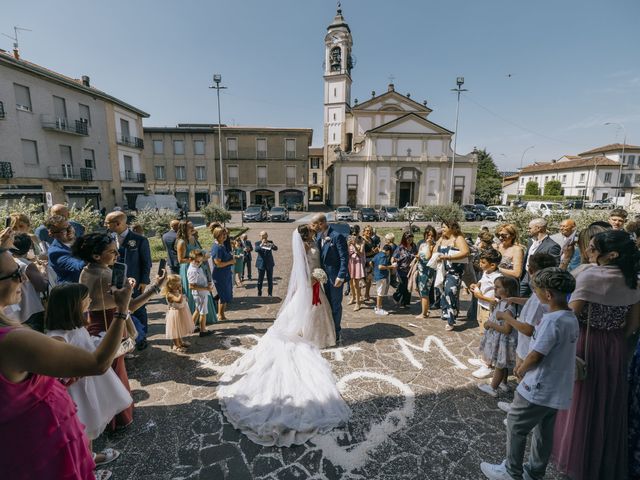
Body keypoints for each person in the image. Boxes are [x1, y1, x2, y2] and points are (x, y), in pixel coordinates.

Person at [0, 247, 132, 480]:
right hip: (43, 453)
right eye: (14, 274)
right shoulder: (13, 341)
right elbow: (98, 363)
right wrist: (121, 310)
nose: (23, 278)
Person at [217, 226, 350, 446]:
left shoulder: (313, 244)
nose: (312, 236)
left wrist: (319, 275)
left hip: (314, 284)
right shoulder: (305, 249)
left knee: (316, 312)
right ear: (305, 237)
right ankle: (308, 335)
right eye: (309, 234)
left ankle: (316, 334)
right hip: (309, 285)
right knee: (307, 315)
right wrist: (315, 279)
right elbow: (304, 272)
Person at [552, 230, 640, 480]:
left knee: (582, 399)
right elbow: (633, 325)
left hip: (587, 342)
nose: (588, 251)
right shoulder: (633, 279)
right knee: (606, 401)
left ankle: (576, 457)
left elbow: (570, 316)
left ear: (611, 254)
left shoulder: (590, 276)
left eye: (592, 248)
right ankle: (600, 459)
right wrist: (613, 340)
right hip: (615, 345)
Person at [480, 268, 579, 480]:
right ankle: (535, 471)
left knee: (516, 424)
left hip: (539, 385)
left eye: (537, 292)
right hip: (557, 387)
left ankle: (511, 471)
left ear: (548, 295)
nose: (535, 296)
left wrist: (521, 368)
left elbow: (537, 354)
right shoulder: (570, 317)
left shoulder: (552, 320)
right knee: (544, 431)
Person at [45, 283, 132, 466]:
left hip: (89, 385)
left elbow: (85, 347)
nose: (90, 300)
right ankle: (85, 467)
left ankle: (90, 459)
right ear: (73, 304)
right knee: (82, 428)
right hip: (75, 392)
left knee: (90, 425)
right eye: (86, 298)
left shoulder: (77, 327)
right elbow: (58, 364)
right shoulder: (58, 336)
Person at [74, 233, 139, 431]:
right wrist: (155, 287)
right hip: (110, 320)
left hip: (94, 321)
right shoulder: (107, 275)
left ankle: (111, 415)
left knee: (109, 373)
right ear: (96, 255)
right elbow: (129, 306)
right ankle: (120, 418)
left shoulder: (87, 270)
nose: (117, 254)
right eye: (112, 251)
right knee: (117, 372)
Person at [105, 211, 152, 351]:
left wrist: (144, 280)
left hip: (135, 282)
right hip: (114, 282)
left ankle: (142, 337)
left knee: (139, 308)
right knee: (119, 310)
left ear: (118, 223)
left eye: (108, 223)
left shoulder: (139, 240)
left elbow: (146, 262)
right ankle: (126, 337)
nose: (105, 225)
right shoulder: (108, 238)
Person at [477, 276, 519, 397]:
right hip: (500, 340)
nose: (494, 289)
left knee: (500, 365)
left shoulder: (508, 307)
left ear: (508, 290)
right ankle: (503, 383)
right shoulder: (502, 303)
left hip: (504, 341)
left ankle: (493, 387)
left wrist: (490, 324)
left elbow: (507, 329)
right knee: (503, 363)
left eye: (498, 287)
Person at [310, 213, 349, 344]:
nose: (313, 227)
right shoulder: (320, 236)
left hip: (335, 277)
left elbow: (344, 258)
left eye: (314, 225)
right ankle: (330, 329)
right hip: (324, 278)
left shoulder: (337, 236)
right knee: (328, 305)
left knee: (336, 305)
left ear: (321, 223)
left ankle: (336, 332)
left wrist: (341, 276)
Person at [176, 221, 216, 326]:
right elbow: (180, 260)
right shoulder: (182, 242)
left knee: (204, 293)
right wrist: (195, 259)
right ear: (184, 229)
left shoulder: (193, 238)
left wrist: (204, 255)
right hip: (189, 268)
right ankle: (192, 323)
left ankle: (203, 320)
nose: (193, 227)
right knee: (195, 293)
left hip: (199, 266)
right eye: (190, 227)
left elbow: (198, 251)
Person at [5, 233, 47, 332]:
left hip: (12, 312)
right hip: (30, 310)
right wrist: (44, 273)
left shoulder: (5, 262)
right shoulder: (26, 265)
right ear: (28, 248)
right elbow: (41, 287)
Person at [435, 219, 471, 331]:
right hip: (442, 271)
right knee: (443, 292)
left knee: (450, 291)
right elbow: (435, 251)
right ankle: (448, 312)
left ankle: (451, 318)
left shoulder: (458, 238)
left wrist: (448, 257)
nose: (442, 229)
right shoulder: (442, 239)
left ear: (451, 228)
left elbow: (466, 252)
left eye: (444, 227)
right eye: (442, 227)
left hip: (454, 271)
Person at [520, 218, 560, 297]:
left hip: (539, 281)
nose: (528, 230)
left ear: (538, 228)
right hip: (525, 276)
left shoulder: (552, 246)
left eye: (530, 228)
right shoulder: (531, 242)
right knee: (517, 298)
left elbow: (553, 267)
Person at [469, 248, 502, 333]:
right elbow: (482, 280)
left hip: (489, 309)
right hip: (481, 305)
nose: (480, 264)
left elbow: (497, 300)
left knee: (487, 331)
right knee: (481, 327)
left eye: (483, 262)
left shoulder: (498, 278)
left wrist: (480, 297)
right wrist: (477, 285)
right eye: (480, 261)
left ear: (492, 265)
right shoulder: (486, 271)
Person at [46, 215, 85, 284]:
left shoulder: (79, 240)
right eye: (63, 230)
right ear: (51, 234)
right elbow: (79, 267)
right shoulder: (55, 252)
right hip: (73, 290)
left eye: (69, 227)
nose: (69, 231)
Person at [162, 274, 195, 351]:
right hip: (174, 314)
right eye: (176, 285)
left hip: (181, 312)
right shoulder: (170, 294)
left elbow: (182, 300)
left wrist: (184, 298)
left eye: (179, 284)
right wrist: (181, 292)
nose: (179, 286)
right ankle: (176, 345)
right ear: (170, 285)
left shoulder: (176, 291)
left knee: (179, 329)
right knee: (175, 331)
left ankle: (181, 342)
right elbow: (178, 300)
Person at [188, 249, 215, 335]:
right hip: (200, 293)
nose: (198, 263)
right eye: (196, 261)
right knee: (203, 312)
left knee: (198, 310)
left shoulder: (196, 267)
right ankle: (203, 330)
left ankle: (190, 327)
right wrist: (206, 288)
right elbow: (191, 286)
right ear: (190, 260)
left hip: (201, 292)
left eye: (200, 261)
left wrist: (208, 283)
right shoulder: (193, 270)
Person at [414, 226, 436, 319]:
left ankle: (424, 314)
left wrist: (429, 245)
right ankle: (425, 311)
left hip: (428, 272)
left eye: (432, 235)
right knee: (421, 291)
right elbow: (418, 254)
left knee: (425, 292)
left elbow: (427, 257)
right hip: (421, 270)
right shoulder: (422, 244)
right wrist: (417, 257)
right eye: (428, 235)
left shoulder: (433, 245)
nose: (429, 237)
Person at [392, 231, 417, 309]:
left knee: (408, 286)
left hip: (410, 270)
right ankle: (396, 296)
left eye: (411, 238)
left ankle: (406, 302)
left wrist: (415, 260)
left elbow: (416, 254)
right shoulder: (401, 247)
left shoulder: (414, 246)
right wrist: (393, 262)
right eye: (408, 238)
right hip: (401, 270)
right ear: (404, 239)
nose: (410, 240)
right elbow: (394, 257)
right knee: (403, 285)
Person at [372, 244, 395, 316]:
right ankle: (379, 309)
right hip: (381, 276)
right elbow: (380, 267)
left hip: (377, 276)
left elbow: (371, 262)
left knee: (379, 292)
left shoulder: (378, 254)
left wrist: (374, 270)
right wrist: (391, 266)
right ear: (388, 251)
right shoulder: (384, 256)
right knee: (380, 293)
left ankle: (378, 306)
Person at [255, 231, 278, 297]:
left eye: (264, 235)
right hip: (261, 264)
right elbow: (256, 249)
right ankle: (259, 293)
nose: (263, 237)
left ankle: (270, 293)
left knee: (270, 279)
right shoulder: (257, 243)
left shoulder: (270, 242)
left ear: (267, 236)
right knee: (260, 280)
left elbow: (276, 248)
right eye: (262, 235)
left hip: (269, 263)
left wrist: (271, 245)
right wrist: (261, 244)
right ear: (260, 236)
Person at [347, 233, 366, 310]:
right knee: (350, 282)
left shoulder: (361, 243)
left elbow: (361, 254)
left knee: (356, 284)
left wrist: (355, 245)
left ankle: (358, 302)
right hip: (350, 262)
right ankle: (353, 297)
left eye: (355, 236)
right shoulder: (349, 243)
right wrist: (348, 245)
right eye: (352, 236)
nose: (353, 237)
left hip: (357, 263)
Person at [362, 225, 379, 302]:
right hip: (363, 262)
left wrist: (376, 251)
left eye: (370, 231)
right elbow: (362, 254)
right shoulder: (362, 240)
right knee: (362, 280)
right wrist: (373, 252)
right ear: (364, 231)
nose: (369, 232)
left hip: (371, 262)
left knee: (369, 279)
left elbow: (373, 250)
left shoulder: (371, 240)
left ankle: (367, 294)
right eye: (367, 231)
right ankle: (358, 295)